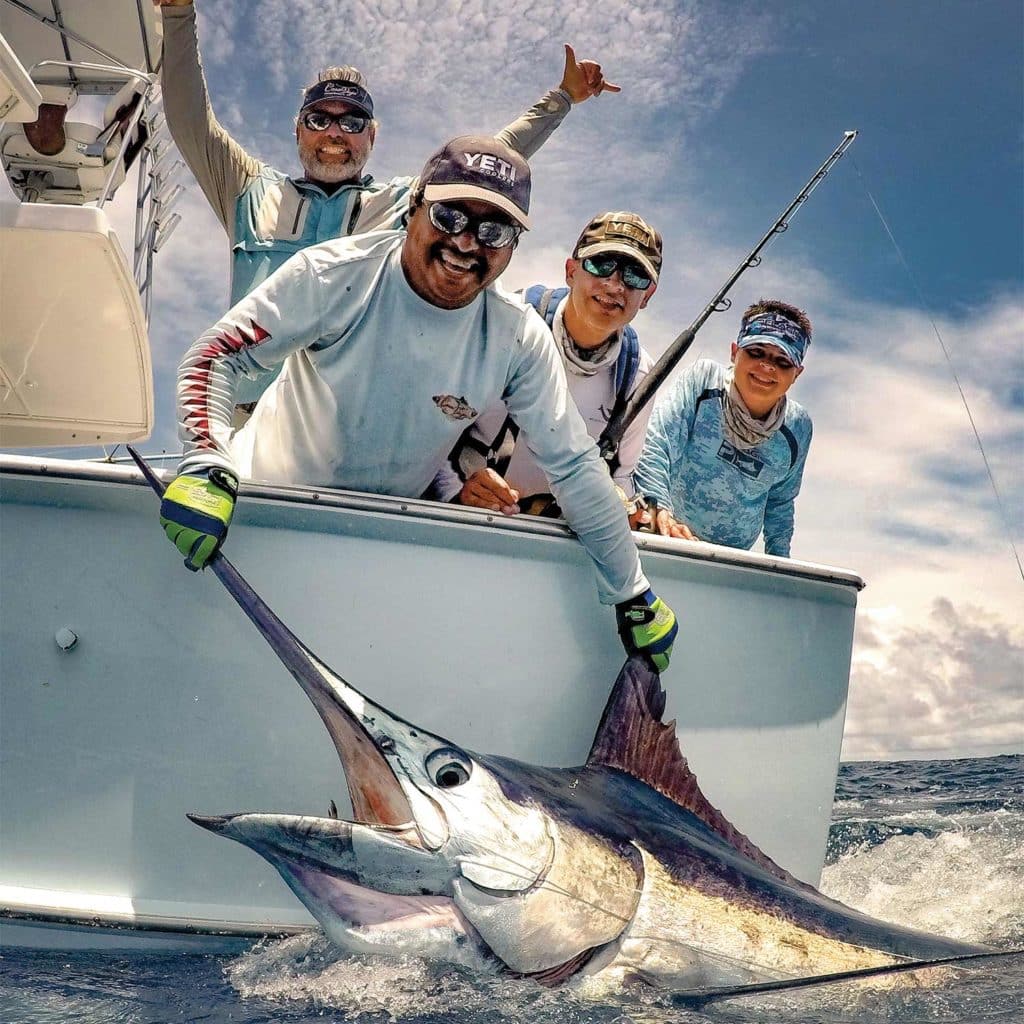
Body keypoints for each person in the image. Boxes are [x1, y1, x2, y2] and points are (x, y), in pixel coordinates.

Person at [158, 136, 678, 670]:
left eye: (493, 230)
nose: (468, 243)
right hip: (252, 520)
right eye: (451, 215)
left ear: (513, 247)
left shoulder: (517, 335)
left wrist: (631, 589)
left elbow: (573, 465)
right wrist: (205, 459)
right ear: (413, 208)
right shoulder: (332, 273)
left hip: (382, 546)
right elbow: (218, 357)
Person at [154, 0, 619, 402]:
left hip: (348, 432)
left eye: (353, 122)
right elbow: (190, 120)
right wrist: (178, 12)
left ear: (372, 136)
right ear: (298, 129)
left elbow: (490, 158)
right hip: (244, 420)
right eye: (319, 119)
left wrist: (562, 98)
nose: (335, 133)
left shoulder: (406, 204)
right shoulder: (247, 189)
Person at [431, 211, 661, 526]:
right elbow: (429, 431)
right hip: (455, 520)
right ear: (570, 270)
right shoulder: (501, 322)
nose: (614, 285)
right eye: (601, 263)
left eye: (635, 276)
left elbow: (620, 478)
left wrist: (631, 515)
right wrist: (455, 494)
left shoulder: (638, 377)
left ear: (647, 295)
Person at [632, 300, 813, 557]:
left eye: (782, 361)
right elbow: (656, 446)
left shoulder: (798, 427)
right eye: (756, 352)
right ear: (734, 351)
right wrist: (657, 510)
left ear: (797, 373)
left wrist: (780, 563)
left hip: (729, 565)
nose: (766, 367)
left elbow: (780, 504)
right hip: (666, 542)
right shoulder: (702, 380)